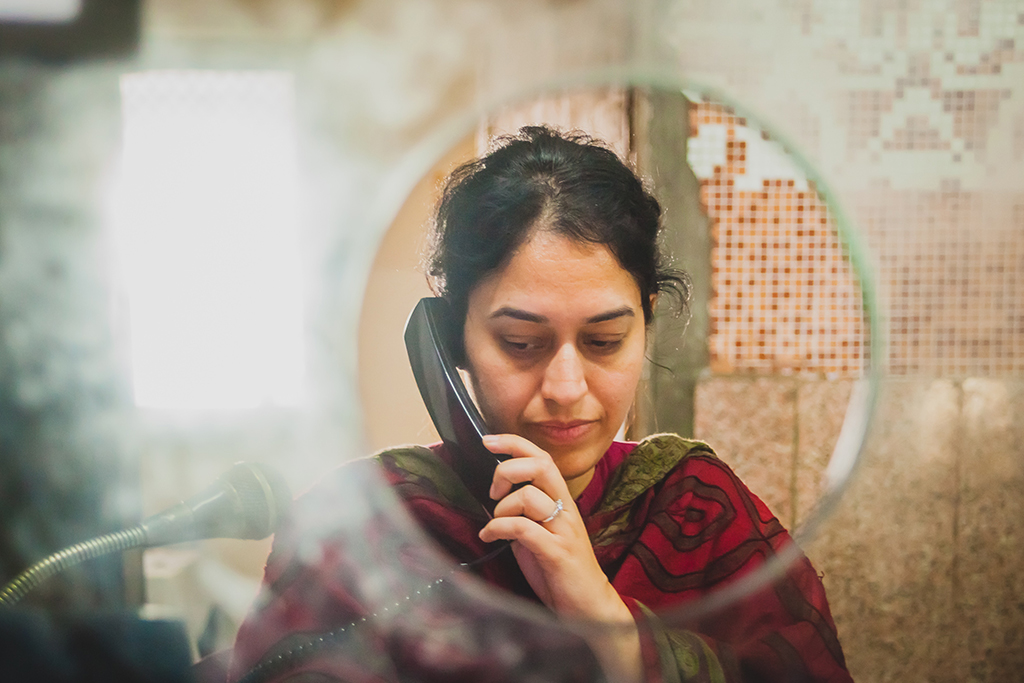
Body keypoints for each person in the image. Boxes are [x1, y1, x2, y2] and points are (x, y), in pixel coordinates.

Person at [227, 127, 853, 683]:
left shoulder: (699, 510)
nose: (565, 387)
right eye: (521, 344)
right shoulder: (361, 529)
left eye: (605, 342)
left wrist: (604, 620)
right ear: (452, 343)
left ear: (647, 323)